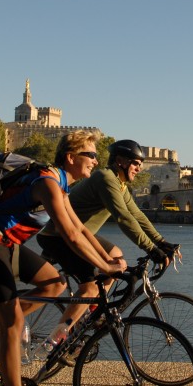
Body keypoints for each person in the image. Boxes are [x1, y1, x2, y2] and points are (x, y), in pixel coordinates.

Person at [0, 129, 121, 386]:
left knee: (55, 285)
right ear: (71, 157)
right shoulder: (47, 183)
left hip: (7, 245)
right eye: (91, 155)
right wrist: (105, 268)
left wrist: (108, 260)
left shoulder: (61, 186)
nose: (96, 162)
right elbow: (70, 235)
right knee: (13, 324)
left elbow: (83, 231)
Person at [37, 139, 180, 331]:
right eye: (136, 164)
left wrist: (161, 242)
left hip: (80, 235)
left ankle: (92, 311)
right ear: (121, 161)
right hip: (58, 237)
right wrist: (151, 249)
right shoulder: (105, 179)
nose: (139, 169)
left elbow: (136, 215)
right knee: (90, 287)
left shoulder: (119, 184)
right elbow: (123, 218)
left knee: (116, 256)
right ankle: (59, 339)